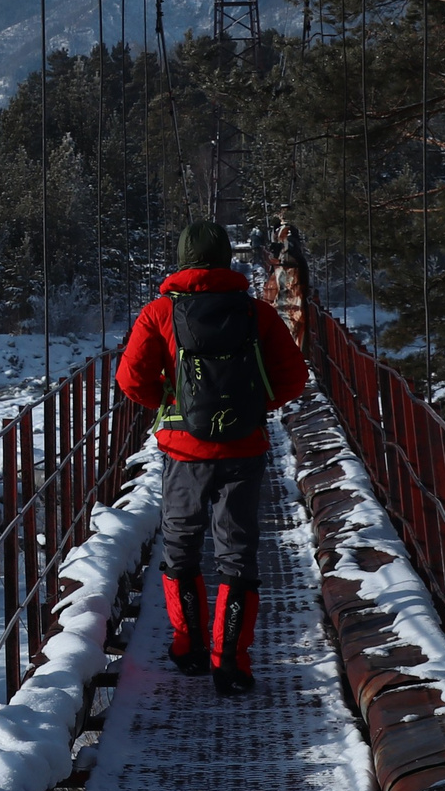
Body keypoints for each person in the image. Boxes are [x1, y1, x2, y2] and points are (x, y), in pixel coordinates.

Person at [115, 219, 308, 692]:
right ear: (225, 258)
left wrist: (170, 403)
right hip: (245, 447)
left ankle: (190, 647)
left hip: (184, 452)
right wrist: (251, 407)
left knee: (181, 548)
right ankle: (232, 664)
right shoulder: (257, 313)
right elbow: (294, 377)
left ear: (182, 259)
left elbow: (131, 381)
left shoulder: (159, 313)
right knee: (237, 553)